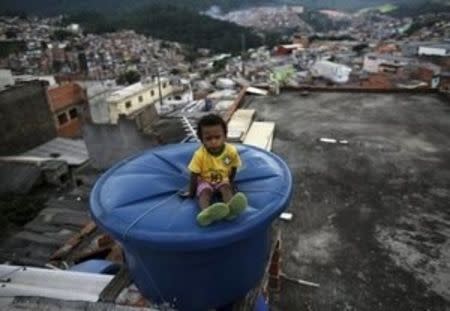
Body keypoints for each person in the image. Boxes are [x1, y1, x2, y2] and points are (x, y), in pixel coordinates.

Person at [182, 114, 247, 226]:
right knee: (204, 193)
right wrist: (191, 192)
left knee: (226, 189)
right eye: (208, 138)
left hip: (222, 179)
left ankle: (230, 209)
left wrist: (231, 182)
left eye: (217, 137)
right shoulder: (199, 155)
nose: (213, 141)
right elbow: (194, 174)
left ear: (225, 136)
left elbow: (234, 167)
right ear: (202, 140)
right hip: (205, 181)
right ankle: (206, 213)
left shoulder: (230, 151)